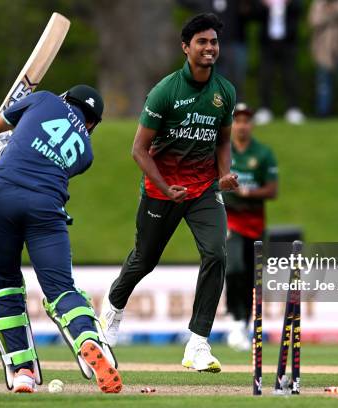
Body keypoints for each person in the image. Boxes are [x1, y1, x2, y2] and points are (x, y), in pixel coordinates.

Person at [98, 13, 238, 373]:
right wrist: (164, 187)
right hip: (162, 191)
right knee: (145, 260)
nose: (210, 48)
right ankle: (112, 310)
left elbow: (223, 140)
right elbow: (138, 150)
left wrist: (224, 175)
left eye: (214, 42)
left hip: (204, 189)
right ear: (185, 47)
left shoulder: (224, 92)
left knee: (216, 253)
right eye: (202, 42)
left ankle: (197, 344)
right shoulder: (165, 91)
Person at [0, 85, 122, 394]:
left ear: (64, 98)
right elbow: (45, 161)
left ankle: (22, 371)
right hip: (47, 207)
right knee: (61, 289)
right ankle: (88, 338)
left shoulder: (43, 99)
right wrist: (11, 143)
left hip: (1, 197)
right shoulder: (86, 153)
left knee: (1, 284)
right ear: (92, 125)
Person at [223, 102, 278, 351]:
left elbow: (272, 190)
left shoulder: (263, 154)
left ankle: (244, 322)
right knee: (233, 267)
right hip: (230, 220)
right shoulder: (223, 151)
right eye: (237, 120)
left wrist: (248, 192)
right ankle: (235, 318)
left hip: (255, 223)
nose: (242, 125)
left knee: (250, 277)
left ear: (251, 124)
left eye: (246, 120)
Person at [255, 0, 305, 125]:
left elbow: (299, 9)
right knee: (266, 76)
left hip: (288, 42)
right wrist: (264, 4)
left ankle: (293, 109)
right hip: (267, 43)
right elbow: (254, 14)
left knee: (290, 76)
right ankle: (264, 109)